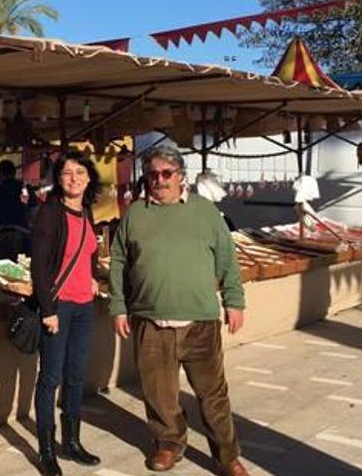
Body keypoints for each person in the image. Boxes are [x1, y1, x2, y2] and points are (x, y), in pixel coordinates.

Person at [108, 145, 249, 476]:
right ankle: (169, 444)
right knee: (159, 394)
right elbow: (118, 262)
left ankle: (227, 456)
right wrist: (118, 306)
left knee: (213, 396)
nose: (160, 180)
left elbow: (227, 259)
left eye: (166, 173)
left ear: (180, 175)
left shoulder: (205, 212)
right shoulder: (135, 214)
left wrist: (234, 301)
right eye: (153, 174)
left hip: (200, 320)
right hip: (150, 321)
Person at [30, 149, 103, 476]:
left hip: (84, 307)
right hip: (58, 307)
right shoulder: (50, 213)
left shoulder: (86, 210)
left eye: (80, 172)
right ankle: (47, 451)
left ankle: (72, 441)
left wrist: (90, 278)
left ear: (89, 178)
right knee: (50, 378)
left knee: (76, 376)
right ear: (58, 179)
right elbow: (39, 267)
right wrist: (48, 309)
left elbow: (87, 253)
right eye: (67, 173)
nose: (73, 179)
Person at [0, 160, 28, 229]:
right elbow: (33, 212)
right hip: (22, 230)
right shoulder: (24, 188)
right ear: (14, 173)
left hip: (2, 231)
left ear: (0, 174)